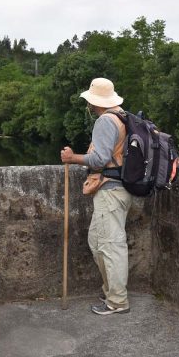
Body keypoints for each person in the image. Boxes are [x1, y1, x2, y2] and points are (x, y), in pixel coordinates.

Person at [60, 77, 132, 315]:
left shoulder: (105, 121)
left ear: (94, 102)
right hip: (119, 189)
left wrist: (73, 158)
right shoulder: (123, 115)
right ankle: (112, 290)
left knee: (110, 246)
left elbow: (100, 159)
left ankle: (117, 301)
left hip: (110, 190)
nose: (88, 106)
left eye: (89, 102)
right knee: (99, 242)